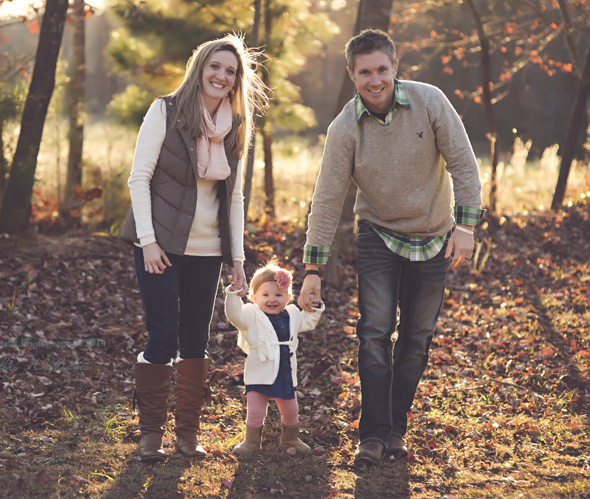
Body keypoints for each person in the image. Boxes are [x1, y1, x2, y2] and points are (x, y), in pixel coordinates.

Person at [298, 29, 485, 466]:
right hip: (378, 233)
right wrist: (313, 269)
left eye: (382, 69)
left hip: (435, 233)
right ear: (352, 75)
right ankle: (373, 434)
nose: (375, 79)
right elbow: (327, 199)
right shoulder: (345, 127)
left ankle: (396, 428)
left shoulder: (429, 101)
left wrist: (467, 227)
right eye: (365, 72)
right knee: (374, 333)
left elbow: (463, 162)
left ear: (395, 67)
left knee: (417, 338)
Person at [121, 33, 269, 462]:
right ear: (200, 67)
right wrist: (148, 242)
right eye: (215, 67)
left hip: (208, 250)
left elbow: (235, 197)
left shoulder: (237, 124)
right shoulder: (165, 110)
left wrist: (237, 258)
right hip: (160, 245)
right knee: (163, 335)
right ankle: (151, 436)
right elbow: (139, 179)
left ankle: (187, 435)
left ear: (236, 79)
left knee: (195, 340)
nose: (221, 76)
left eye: (231, 71)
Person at [224, 261, 324, 456]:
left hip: (285, 372)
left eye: (278, 295)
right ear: (254, 297)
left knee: (291, 409)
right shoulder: (251, 314)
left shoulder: (293, 314)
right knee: (255, 411)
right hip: (259, 371)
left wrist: (315, 306)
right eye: (265, 295)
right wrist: (233, 296)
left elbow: (309, 321)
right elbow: (234, 316)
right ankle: (251, 442)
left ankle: (290, 439)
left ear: (288, 297)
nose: (272, 300)